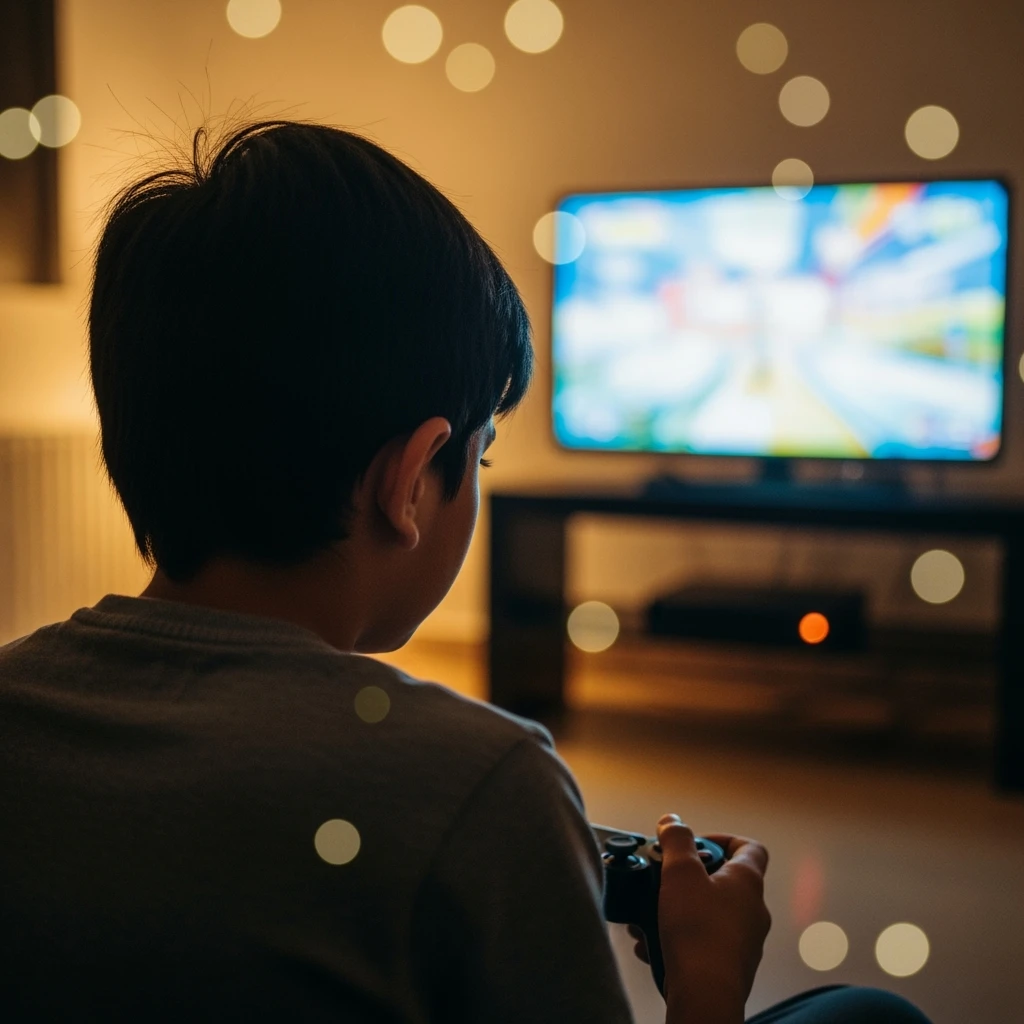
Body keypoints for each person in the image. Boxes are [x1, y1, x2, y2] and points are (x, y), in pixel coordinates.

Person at [0, 119, 933, 1024]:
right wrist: (708, 983)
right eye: (479, 458)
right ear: (410, 483)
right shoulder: (484, 784)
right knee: (870, 1012)